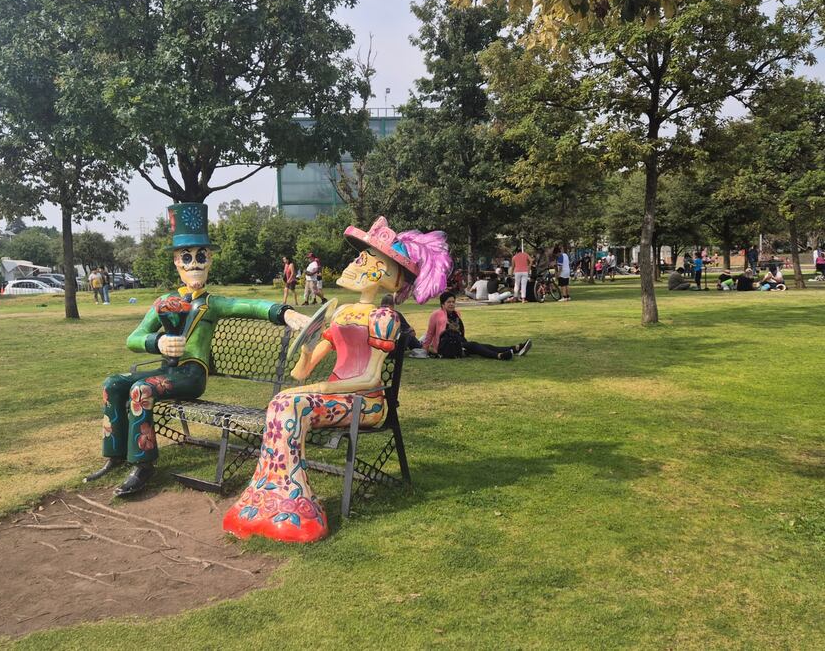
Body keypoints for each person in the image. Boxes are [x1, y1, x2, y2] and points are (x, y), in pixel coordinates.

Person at [223, 216, 452, 542]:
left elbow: (371, 377)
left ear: (384, 273)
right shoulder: (341, 312)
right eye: (360, 256)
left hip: (366, 403)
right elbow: (302, 372)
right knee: (281, 401)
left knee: (291, 404)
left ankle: (294, 503)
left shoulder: (384, 318)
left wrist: (322, 388)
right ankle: (268, 497)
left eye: (365, 258)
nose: (355, 262)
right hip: (334, 398)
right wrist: (306, 348)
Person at [85, 203, 310, 497]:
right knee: (113, 383)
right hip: (167, 371)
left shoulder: (212, 304)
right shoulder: (164, 301)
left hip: (191, 377)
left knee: (141, 390)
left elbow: (250, 305)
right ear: (176, 262)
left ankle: (143, 465)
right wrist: (157, 342)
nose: (194, 264)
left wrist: (284, 312)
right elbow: (134, 338)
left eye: (201, 256)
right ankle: (114, 454)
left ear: (210, 260)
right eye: (187, 257)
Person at [423, 292, 530, 360]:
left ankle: (515, 348)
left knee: (485, 346)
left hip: (459, 343)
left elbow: (460, 331)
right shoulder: (436, 314)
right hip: (446, 347)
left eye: (453, 302)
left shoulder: (456, 313)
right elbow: (430, 333)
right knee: (474, 345)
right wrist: (425, 349)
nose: (451, 304)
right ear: (443, 304)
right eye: (448, 302)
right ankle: (499, 356)